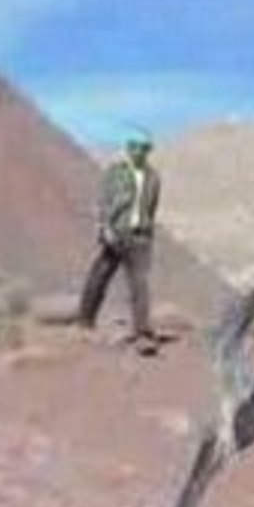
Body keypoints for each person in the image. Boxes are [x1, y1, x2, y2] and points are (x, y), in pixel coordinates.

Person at [75, 130, 161, 355]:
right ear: (128, 148)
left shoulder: (153, 177)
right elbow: (103, 201)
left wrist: (148, 232)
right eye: (134, 146)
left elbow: (151, 208)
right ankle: (84, 321)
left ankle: (142, 333)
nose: (138, 151)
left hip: (139, 236)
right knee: (100, 275)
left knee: (139, 284)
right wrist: (104, 228)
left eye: (143, 148)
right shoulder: (115, 173)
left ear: (148, 151)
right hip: (116, 233)